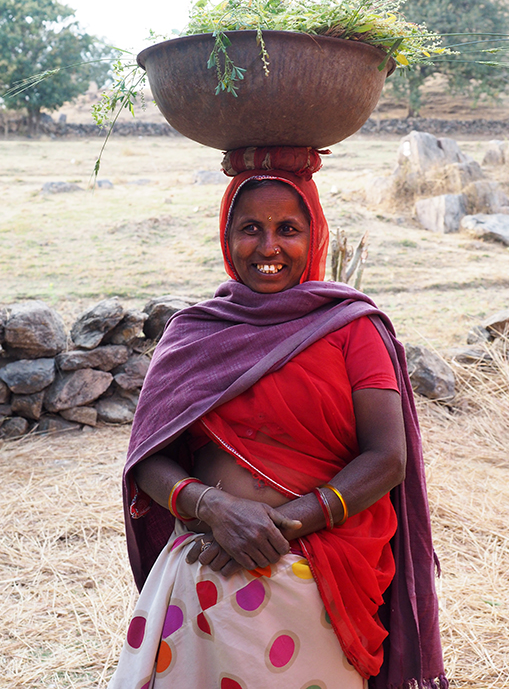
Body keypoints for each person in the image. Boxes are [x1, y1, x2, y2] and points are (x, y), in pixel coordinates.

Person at [108, 147, 447, 689]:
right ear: (226, 238)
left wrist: (277, 527)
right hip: (205, 564)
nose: (269, 247)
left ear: (314, 237)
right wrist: (216, 509)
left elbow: (387, 458)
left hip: (324, 567)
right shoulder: (193, 333)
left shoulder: (352, 328)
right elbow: (149, 459)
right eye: (250, 228)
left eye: (288, 228)